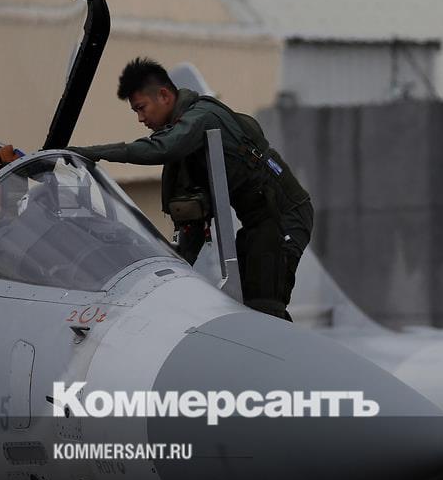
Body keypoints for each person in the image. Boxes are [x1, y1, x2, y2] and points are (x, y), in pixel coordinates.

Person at [68, 58, 313, 321]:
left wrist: (94, 153)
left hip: (284, 217)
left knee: (266, 307)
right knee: (244, 304)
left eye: (142, 108)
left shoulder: (202, 118)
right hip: (257, 221)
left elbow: (162, 148)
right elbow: (193, 223)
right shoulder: (187, 139)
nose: (140, 118)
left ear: (164, 96)